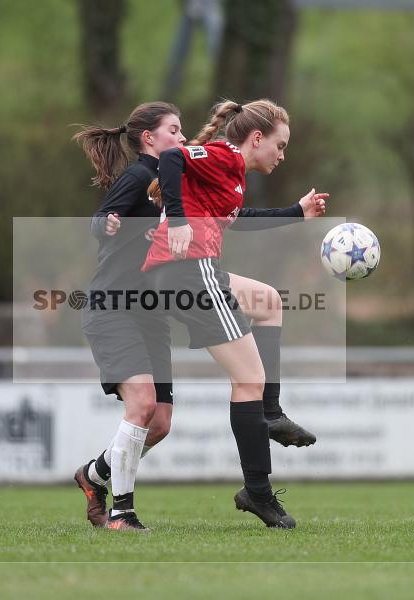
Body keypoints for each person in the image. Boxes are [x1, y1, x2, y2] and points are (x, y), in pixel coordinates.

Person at [142, 99, 328, 528]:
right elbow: (170, 158)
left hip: (189, 272)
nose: (282, 156)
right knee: (249, 380)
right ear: (256, 138)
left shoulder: (232, 177)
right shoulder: (225, 155)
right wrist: (176, 220)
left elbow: (239, 218)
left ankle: (271, 412)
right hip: (188, 272)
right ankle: (258, 492)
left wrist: (296, 214)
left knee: (268, 301)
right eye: (279, 146)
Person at [71, 101, 186, 531]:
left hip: (150, 315)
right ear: (148, 139)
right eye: (173, 130)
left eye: (182, 130)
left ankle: (92, 475)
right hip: (113, 308)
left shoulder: (172, 184)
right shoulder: (140, 176)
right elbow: (100, 220)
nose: (181, 137)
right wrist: (109, 224)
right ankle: (123, 513)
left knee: (160, 422)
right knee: (140, 404)